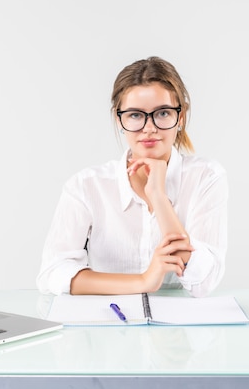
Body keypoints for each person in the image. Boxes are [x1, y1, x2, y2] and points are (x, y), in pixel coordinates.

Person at [36, 56, 227, 298]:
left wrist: (158, 196)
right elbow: (53, 273)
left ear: (181, 117)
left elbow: (203, 282)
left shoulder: (206, 177)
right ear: (119, 119)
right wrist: (144, 281)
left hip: (181, 330)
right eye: (135, 115)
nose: (149, 128)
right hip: (108, 322)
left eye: (163, 113)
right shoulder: (86, 185)